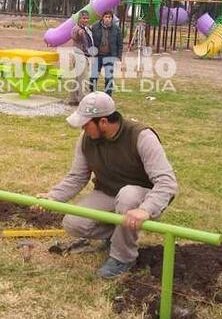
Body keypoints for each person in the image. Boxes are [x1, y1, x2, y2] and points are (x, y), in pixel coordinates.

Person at [39, 92, 178, 279]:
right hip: (109, 193)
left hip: (140, 198)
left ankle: (123, 258)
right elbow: (77, 176)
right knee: (73, 223)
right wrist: (53, 197)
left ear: (103, 122)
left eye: (85, 124)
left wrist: (146, 209)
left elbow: (167, 182)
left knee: (128, 196)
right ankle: (118, 237)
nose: (82, 128)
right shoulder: (86, 139)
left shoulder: (141, 136)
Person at [90, 10, 123, 96]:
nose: (108, 19)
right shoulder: (95, 27)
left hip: (110, 55)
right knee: (94, 75)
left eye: (110, 17)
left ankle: (108, 95)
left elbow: (120, 43)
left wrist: (119, 56)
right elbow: (90, 39)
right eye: (106, 17)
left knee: (109, 77)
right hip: (98, 55)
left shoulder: (116, 29)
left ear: (112, 18)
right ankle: (92, 93)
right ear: (102, 18)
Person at [67, 10, 94, 105]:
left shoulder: (87, 29)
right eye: (83, 18)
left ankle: (73, 99)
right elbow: (75, 34)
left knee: (76, 78)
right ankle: (83, 100)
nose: (85, 20)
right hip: (80, 56)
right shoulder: (77, 29)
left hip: (81, 55)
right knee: (83, 79)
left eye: (87, 18)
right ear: (79, 19)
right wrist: (80, 33)